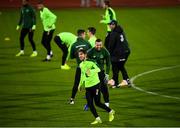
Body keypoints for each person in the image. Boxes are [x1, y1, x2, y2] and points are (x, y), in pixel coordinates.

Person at [78, 49, 115, 124]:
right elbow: (82, 75)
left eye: (81, 54)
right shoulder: (81, 65)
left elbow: (98, 69)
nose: (80, 56)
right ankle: (97, 119)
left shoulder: (91, 62)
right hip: (88, 87)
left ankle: (111, 111)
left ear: (85, 55)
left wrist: (90, 71)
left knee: (97, 103)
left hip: (95, 86)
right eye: (79, 55)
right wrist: (80, 84)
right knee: (90, 104)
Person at [69, 29, 92, 104]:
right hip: (88, 67)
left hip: (80, 67)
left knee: (76, 83)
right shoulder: (87, 43)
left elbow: (71, 56)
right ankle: (90, 99)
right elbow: (91, 53)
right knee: (90, 82)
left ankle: (72, 99)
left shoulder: (74, 44)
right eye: (84, 34)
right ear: (82, 34)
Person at [107, 20, 131, 88]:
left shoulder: (114, 33)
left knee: (117, 66)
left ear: (114, 25)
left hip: (120, 53)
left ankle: (118, 81)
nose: (109, 26)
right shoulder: (120, 31)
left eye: (111, 24)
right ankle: (120, 81)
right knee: (119, 66)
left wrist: (108, 53)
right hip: (125, 51)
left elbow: (111, 45)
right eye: (109, 24)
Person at [87, 39, 111, 107]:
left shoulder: (105, 52)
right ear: (95, 44)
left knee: (104, 88)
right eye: (97, 45)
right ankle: (89, 103)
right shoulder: (90, 52)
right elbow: (86, 62)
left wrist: (107, 74)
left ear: (102, 44)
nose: (99, 46)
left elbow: (108, 64)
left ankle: (107, 103)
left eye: (100, 45)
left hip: (101, 72)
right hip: (93, 73)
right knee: (92, 88)